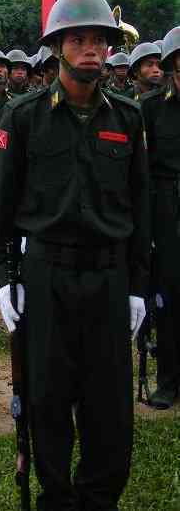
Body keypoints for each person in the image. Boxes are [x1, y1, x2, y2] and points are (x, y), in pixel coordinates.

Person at [0, 0, 150, 511]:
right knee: (49, 398)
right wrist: (4, 277)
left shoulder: (127, 118)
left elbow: (140, 209)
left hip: (107, 277)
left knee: (109, 405)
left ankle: (99, 499)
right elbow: (3, 206)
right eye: (78, 39)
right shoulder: (23, 117)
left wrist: (138, 288)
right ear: (58, 47)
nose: (90, 50)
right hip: (47, 273)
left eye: (99, 40)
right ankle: (56, 498)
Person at [141, 26, 180, 409]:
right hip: (166, 211)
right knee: (168, 300)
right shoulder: (150, 108)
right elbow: (141, 173)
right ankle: (167, 379)